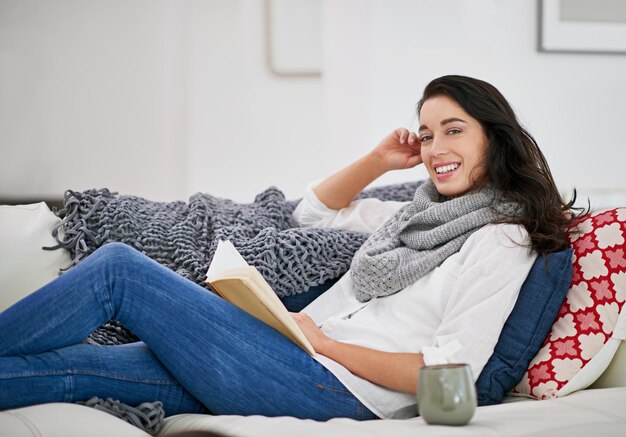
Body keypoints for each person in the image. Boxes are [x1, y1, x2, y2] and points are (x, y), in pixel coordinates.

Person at [0, 75, 576, 421]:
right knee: (72, 368)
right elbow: (313, 214)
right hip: (286, 358)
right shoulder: (414, 216)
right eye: (426, 134)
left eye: (453, 130)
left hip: (333, 386)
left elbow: (453, 375)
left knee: (119, 273)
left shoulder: (503, 237)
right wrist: (379, 160)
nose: (432, 147)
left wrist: (323, 343)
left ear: (493, 139)